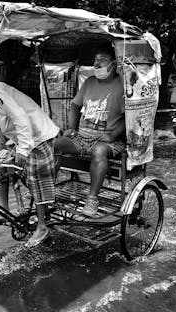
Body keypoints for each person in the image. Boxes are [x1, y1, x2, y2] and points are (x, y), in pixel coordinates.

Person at [0, 69, 60, 247]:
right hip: (19, 137)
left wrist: (23, 151)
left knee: (35, 175)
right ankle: (5, 211)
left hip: (38, 136)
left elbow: (21, 119)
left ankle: (42, 227)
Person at [53, 42, 125, 217]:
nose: (97, 64)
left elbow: (129, 117)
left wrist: (113, 134)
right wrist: (71, 129)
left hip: (109, 141)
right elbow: (74, 107)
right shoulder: (89, 82)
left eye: (103, 60)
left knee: (99, 151)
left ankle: (92, 199)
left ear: (113, 64)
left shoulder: (122, 85)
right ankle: (48, 189)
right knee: (52, 145)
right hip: (81, 137)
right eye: (95, 60)